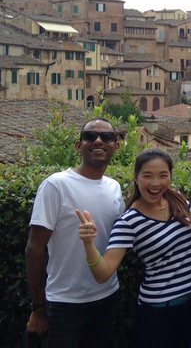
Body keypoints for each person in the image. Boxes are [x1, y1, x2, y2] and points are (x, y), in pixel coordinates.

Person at [75, 147, 191, 348]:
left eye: (163, 175)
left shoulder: (176, 199)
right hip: (161, 311)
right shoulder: (129, 221)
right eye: (148, 176)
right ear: (136, 177)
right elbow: (103, 273)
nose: (156, 183)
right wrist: (88, 243)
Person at [25, 117, 124, 348]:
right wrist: (38, 308)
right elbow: (34, 248)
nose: (98, 141)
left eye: (107, 137)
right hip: (65, 302)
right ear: (78, 145)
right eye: (90, 136)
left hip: (107, 296)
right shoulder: (56, 185)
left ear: (115, 146)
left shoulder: (114, 187)